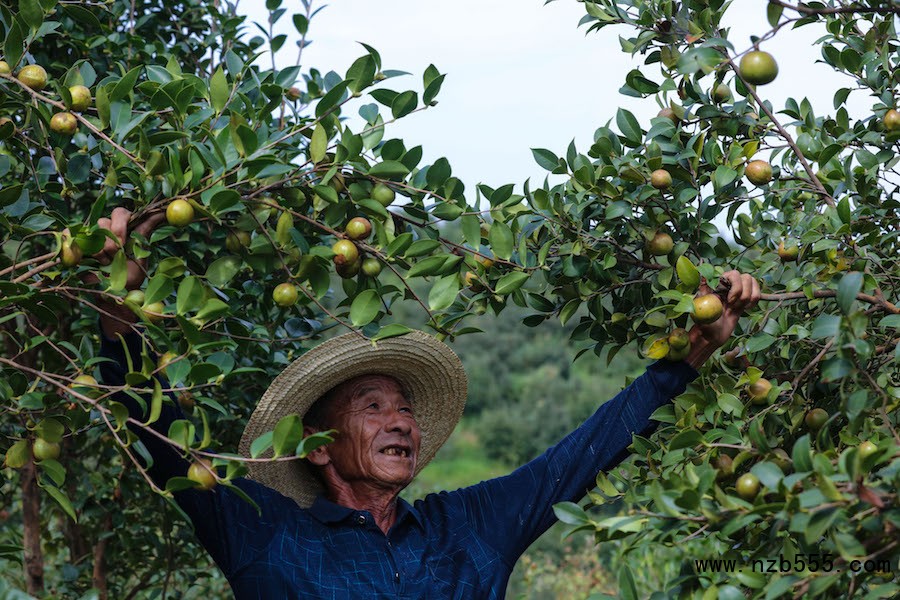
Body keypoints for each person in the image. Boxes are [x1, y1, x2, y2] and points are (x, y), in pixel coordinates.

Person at [95, 208, 760, 599]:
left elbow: (579, 458)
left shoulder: (470, 528)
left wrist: (691, 354)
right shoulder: (266, 534)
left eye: (406, 410)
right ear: (318, 445)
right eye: (373, 407)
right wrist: (119, 315)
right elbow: (164, 440)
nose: (400, 422)